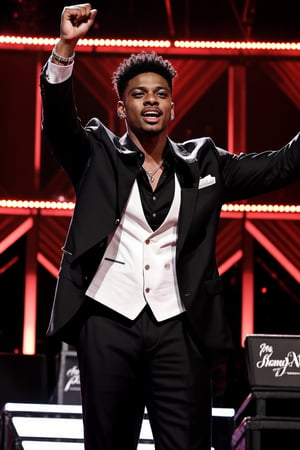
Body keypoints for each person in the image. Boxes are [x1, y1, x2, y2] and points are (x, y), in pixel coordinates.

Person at [40, 3, 300, 449]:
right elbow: (61, 120)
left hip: (180, 327)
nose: (151, 101)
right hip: (107, 320)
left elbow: (279, 166)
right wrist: (65, 47)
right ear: (123, 108)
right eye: (139, 94)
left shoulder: (205, 162)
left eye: (160, 94)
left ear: (173, 106)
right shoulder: (96, 153)